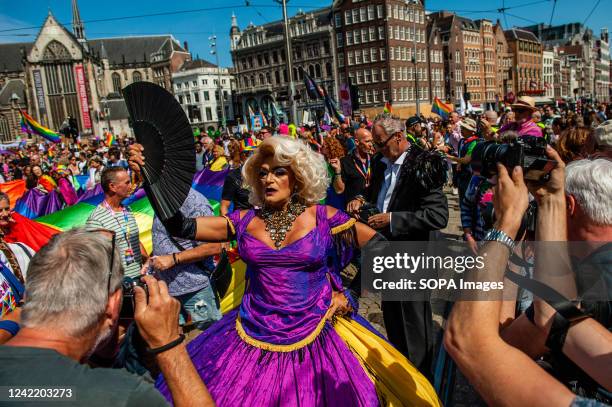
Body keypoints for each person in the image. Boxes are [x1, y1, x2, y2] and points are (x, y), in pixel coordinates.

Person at [128, 136, 441, 406]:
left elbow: (382, 248)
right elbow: (179, 225)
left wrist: (348, 293)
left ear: (298, 177)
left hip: (318, 334)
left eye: (279, 172)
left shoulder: (324, 217)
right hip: (251, 335)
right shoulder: (243, 220)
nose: (268, 180)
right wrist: (152, 176)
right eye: (262, 173)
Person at [445, 150, 612, 407]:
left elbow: (474, 340)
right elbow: (551, 314)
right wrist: (550, 200)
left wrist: (507, 227)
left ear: (571, 206)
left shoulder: (582, 281)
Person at [0, 228, 215, 407]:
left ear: (29, 295)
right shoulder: (120, 395)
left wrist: (102, 355)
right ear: (113, 303)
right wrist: (169, 347)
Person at [346, 117, 449, 379]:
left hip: (414, 256)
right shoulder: (382, 163)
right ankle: (403, 379)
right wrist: (361, 200)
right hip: (387, 254)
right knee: (393, 320)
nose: (377, 150)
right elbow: (376, 195)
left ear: (399, 138)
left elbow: (437, 216)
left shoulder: (423, 163)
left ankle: (422, 384)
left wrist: (393, 219)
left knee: (414, 325)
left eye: (380, 144)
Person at [148, 189, 223, 330]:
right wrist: (151, 260)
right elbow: (163, 236)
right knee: (175, 339)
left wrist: (173, 258)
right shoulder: (162, 197)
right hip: (168, 288)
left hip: (195, 288)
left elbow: (213, 247)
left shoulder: (194, 202)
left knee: (208, 335)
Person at [86, 167, 147, 278]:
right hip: (119, 286)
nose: (131, 186)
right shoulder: (96, 219)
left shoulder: (127, 210)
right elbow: (96, 259)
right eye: (127, 183)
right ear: (112, 187)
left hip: (139, 280)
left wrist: (147, 261)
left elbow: (133, 239)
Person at [330, 128, 374, 204]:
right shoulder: (345, 162)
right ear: (357, 142)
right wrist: (338, 171)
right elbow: (339, 190)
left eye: (371, 141)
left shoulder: (374, 160)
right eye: (367, 141)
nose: (371, 145)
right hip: (353, 211)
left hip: (372, 207)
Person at [220, 141, 253, 216]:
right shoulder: (233, 176)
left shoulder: (267, 175)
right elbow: (224, 206)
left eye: (255, 153)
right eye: (248, 154)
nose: (252, 157)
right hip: (243, 222)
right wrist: (229, 225)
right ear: (241, 156)